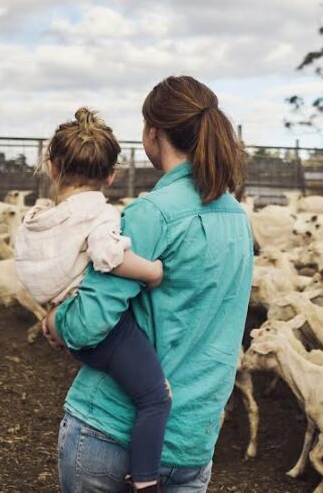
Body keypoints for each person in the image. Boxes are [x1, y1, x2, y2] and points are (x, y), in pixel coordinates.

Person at [45, 75, 254, 493]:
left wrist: (55, 320)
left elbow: (87, 325)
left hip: (111, 432)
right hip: (193, 440)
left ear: (153, 132)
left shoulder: (151, 213)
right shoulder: (238, 220)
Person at [15, 108, 170, 490]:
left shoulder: (36, 222)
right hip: (106, 331)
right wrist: (152, 272)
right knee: (156, 398)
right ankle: (146, 479)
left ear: (52, 167)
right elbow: (108, 257)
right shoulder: (99, 214)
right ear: (111, 175)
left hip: (63, 319)